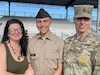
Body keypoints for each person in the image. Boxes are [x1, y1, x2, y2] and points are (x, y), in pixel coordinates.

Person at [63, 5, 100, 75]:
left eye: (86, 19)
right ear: (74, 20)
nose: (82, 22)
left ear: (90, 21)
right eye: (79, 18)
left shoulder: (97, 43)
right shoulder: (67, 41)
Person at [28, 8, 64, 75]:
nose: (42, 25)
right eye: (39, 21)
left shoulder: (59, 42)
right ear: (36, 23)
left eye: (45, 21)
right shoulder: (31, 43)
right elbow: (29, 65)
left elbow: (60, 67)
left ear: (50, 23)